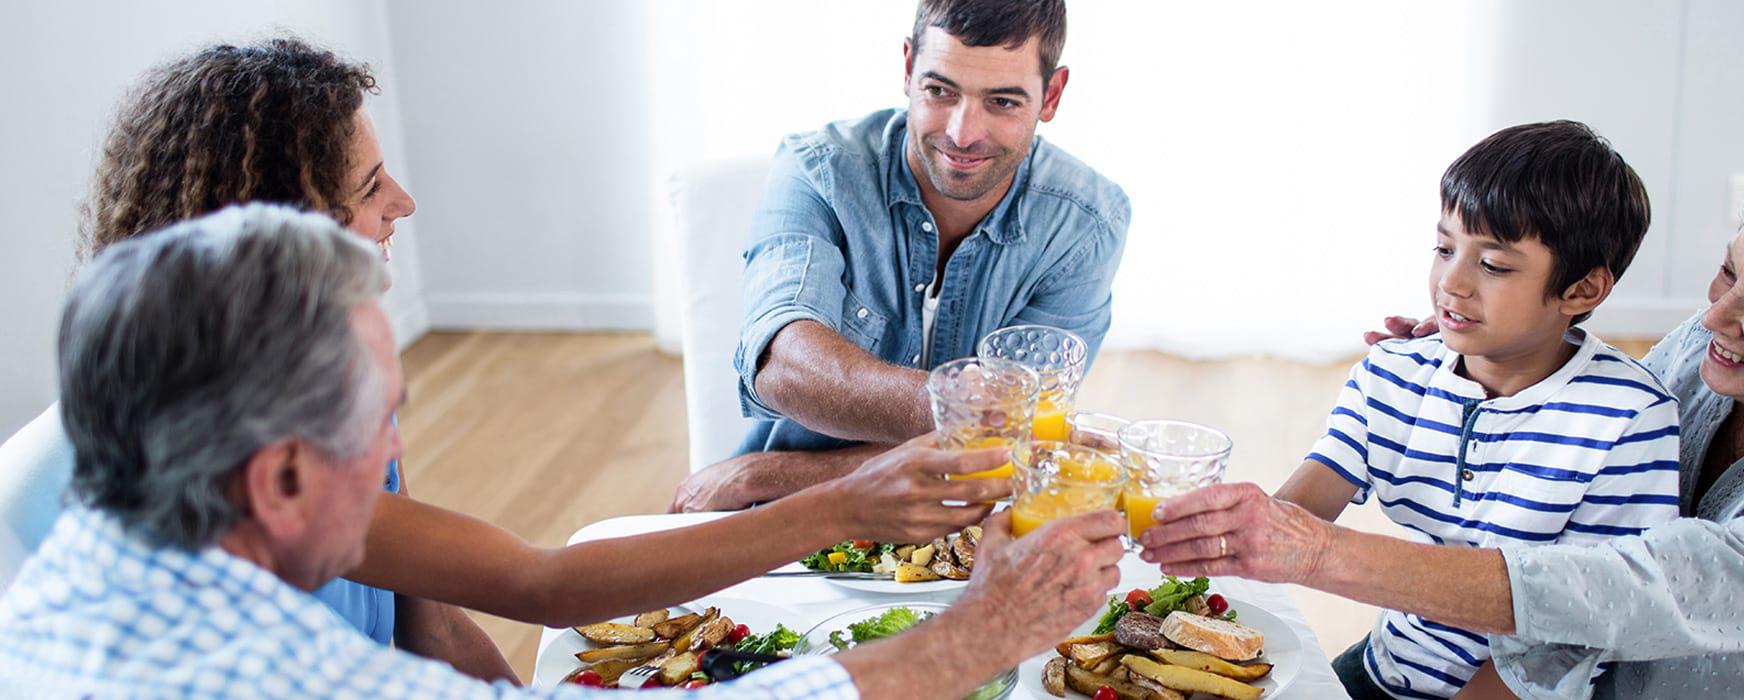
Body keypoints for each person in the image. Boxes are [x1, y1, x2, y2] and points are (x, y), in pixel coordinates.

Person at [59, 37, 1018, 677]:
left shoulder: (313, 397)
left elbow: (428, 619)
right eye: (366, 183)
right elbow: (544, 584)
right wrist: (856, 515)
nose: (404, 200)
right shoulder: (253, 490)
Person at [0, 204, 1127, 698]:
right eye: (384, 414)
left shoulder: (73, 561)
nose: (397, 444)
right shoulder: (276, 675)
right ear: (282, 477)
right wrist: (971, 636)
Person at [1140, 126, 1744, 699]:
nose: (1711, 319)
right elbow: (1588, 415)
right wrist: (1494, 339)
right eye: (1729, 274)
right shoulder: (1716, 351)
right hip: (1488, 661)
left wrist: (1313, 550)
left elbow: (1612, 590)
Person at [1272, 121, 1681, 699]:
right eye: (1444, 248)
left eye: (1493, 265)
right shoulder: (1393, 372)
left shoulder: (1629, 419)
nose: (1452, 284)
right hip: (1391, 664)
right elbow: (1294, 516)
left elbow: (1579, 629)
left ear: (1582, 291)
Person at [672, 0, 1131, 512]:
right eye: (940, 90)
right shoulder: (816, 173)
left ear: (1051, 94)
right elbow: (782, 367)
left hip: (972, 531)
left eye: (1002, 102)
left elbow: (1012, 450)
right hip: (792, 526)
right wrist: (953, 408)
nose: (963, 133)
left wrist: (770, 474)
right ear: (909, 68)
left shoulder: (1088, 222)